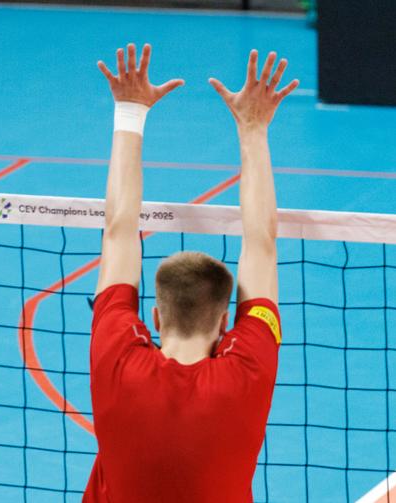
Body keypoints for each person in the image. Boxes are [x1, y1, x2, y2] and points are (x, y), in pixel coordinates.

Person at [84, 44, 298, 502]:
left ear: (155, 319)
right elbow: (262, 242)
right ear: (226, 323)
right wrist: (254, 128)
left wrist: (129, 113)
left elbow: (118, 231)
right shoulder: (246, 374)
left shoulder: (118, 359)